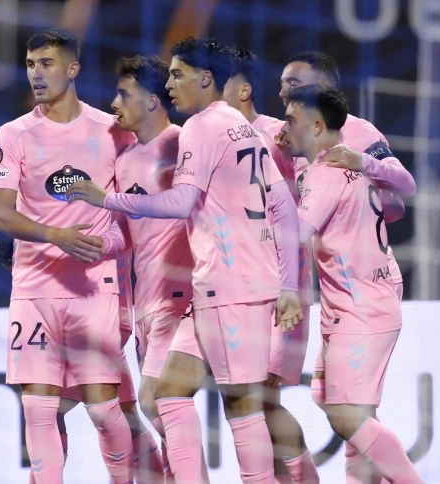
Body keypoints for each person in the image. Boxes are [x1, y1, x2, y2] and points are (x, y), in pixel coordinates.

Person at [67, 37, 303, 484]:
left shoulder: (198, 128)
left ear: (205, 78)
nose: (170, 83)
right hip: (219, 289)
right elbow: (283, 209)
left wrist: (106, 199)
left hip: (231, 287)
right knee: (169, 395)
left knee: (243, 408)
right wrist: (287, 284)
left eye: (177, 75)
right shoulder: (241, 124)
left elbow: (181, 202)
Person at [0, 28, 134, 483]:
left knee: (105, 409)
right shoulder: (13, 134)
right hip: (34, 287)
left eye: (46, 64)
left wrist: (103, 244)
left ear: (73, 69)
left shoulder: (111, 130)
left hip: (95, 287)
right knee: (38, 408)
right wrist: (55, 234)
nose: (36, 73)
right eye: (31, 65)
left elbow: (132, 212)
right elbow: (1, 215)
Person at [277, 51, 416, 483]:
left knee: (345, 411)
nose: (284, 94)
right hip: (344, 296)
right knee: (340, 404)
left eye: (293, 86)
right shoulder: (305, 143)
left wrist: (365, 164)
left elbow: (403, 189)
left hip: (365, 294)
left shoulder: (354, 139)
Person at [96, 54, 205, 482]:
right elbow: (126, 234)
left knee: (157, 399)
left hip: (185, 298)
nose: (113, 102)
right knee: (157, 406)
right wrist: (84, 245)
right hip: (146, 302)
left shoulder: (183, 144)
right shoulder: (124, 163)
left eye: (124, 94)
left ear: (153, 101)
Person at [223, 48, 318, 483]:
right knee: (250, 401)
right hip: (237, 290)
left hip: (281, 287)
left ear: (242, 89)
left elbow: (309, 195)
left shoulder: (280, 135)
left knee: (261, 399)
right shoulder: (208, 138)